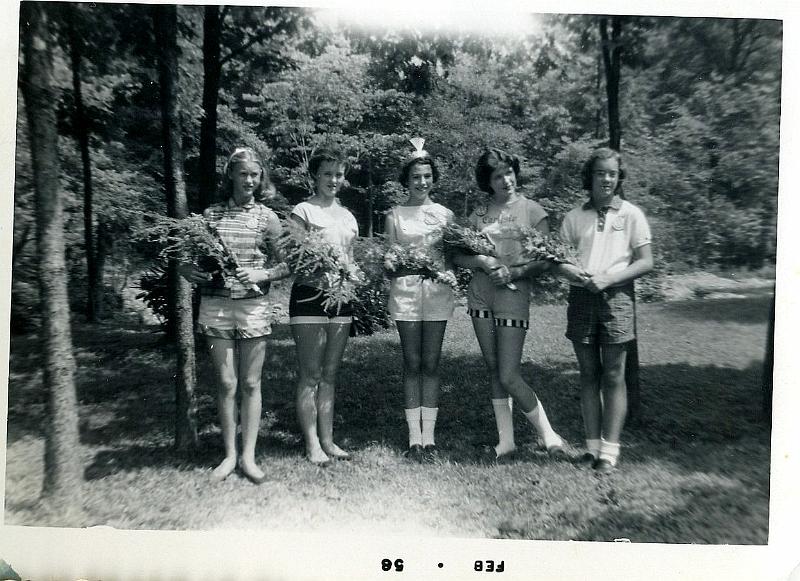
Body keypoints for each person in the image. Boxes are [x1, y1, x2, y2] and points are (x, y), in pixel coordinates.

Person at [182, 147, 288, 484]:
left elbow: (287, 264)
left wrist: (261, 275)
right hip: (215, 307)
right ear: (230, 175)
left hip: (253, 307)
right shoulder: (209, 217)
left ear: (261, 178)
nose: (249, 180)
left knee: (251, 382)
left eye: (255, 175)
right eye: (243, 174)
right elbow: (188, 259)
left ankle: (249, 456)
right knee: (227, 383)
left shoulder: (267, 218)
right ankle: (229, 456)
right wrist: (188, 270)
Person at [452, 148, 565, 462]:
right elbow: (457, 255)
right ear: (488, 182)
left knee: (509, 373)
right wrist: (482, 260)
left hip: (513, 294)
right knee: (494, 369)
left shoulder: (532, 210)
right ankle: (507, 441)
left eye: (509, 172)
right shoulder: (479, 214)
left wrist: (513, 271)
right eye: (497, 176)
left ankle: (548, 434)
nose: (506, 180)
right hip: (480, 294)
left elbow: (546, 261)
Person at [556, 147, 653, 473]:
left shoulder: (631, 215)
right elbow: (558, 261)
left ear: (619, 177)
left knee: (613, 374)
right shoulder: (574, 216)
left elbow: (646, 261)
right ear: (590, 176)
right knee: (588, 374)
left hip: (618, 299)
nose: (607, 179)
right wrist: (574, 273)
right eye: (601, 173)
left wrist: (610, 278)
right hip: (582, 298)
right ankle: (591, 446)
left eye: (612, 173)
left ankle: (609, 452)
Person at [385, 139, 455, 463]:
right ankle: (414, 437)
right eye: (416, 177)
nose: (422, 182)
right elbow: (390, 253)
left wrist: (448, 274)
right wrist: (389, 262)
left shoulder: (445, 214)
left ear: (433, 178)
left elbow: (452, 257)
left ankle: (431, 437)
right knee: (412, 364)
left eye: (427, 176)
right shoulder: (395, 215)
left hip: (437, 294)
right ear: (407, 180)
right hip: (407, 294)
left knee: (431, 363)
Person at [289, 148, 359, 466]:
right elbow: (294, 260)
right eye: (327, 173)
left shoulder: (348, 217)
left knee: (330, 373)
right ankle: (312, 443)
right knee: (310, 374)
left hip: (341, 299)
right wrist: (320, 265)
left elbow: (351, 259)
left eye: (339, 174)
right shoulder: (303, 211)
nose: (334, 179)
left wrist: (354, 275)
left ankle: (329, 441)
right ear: (315, 176)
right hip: (309, 297)